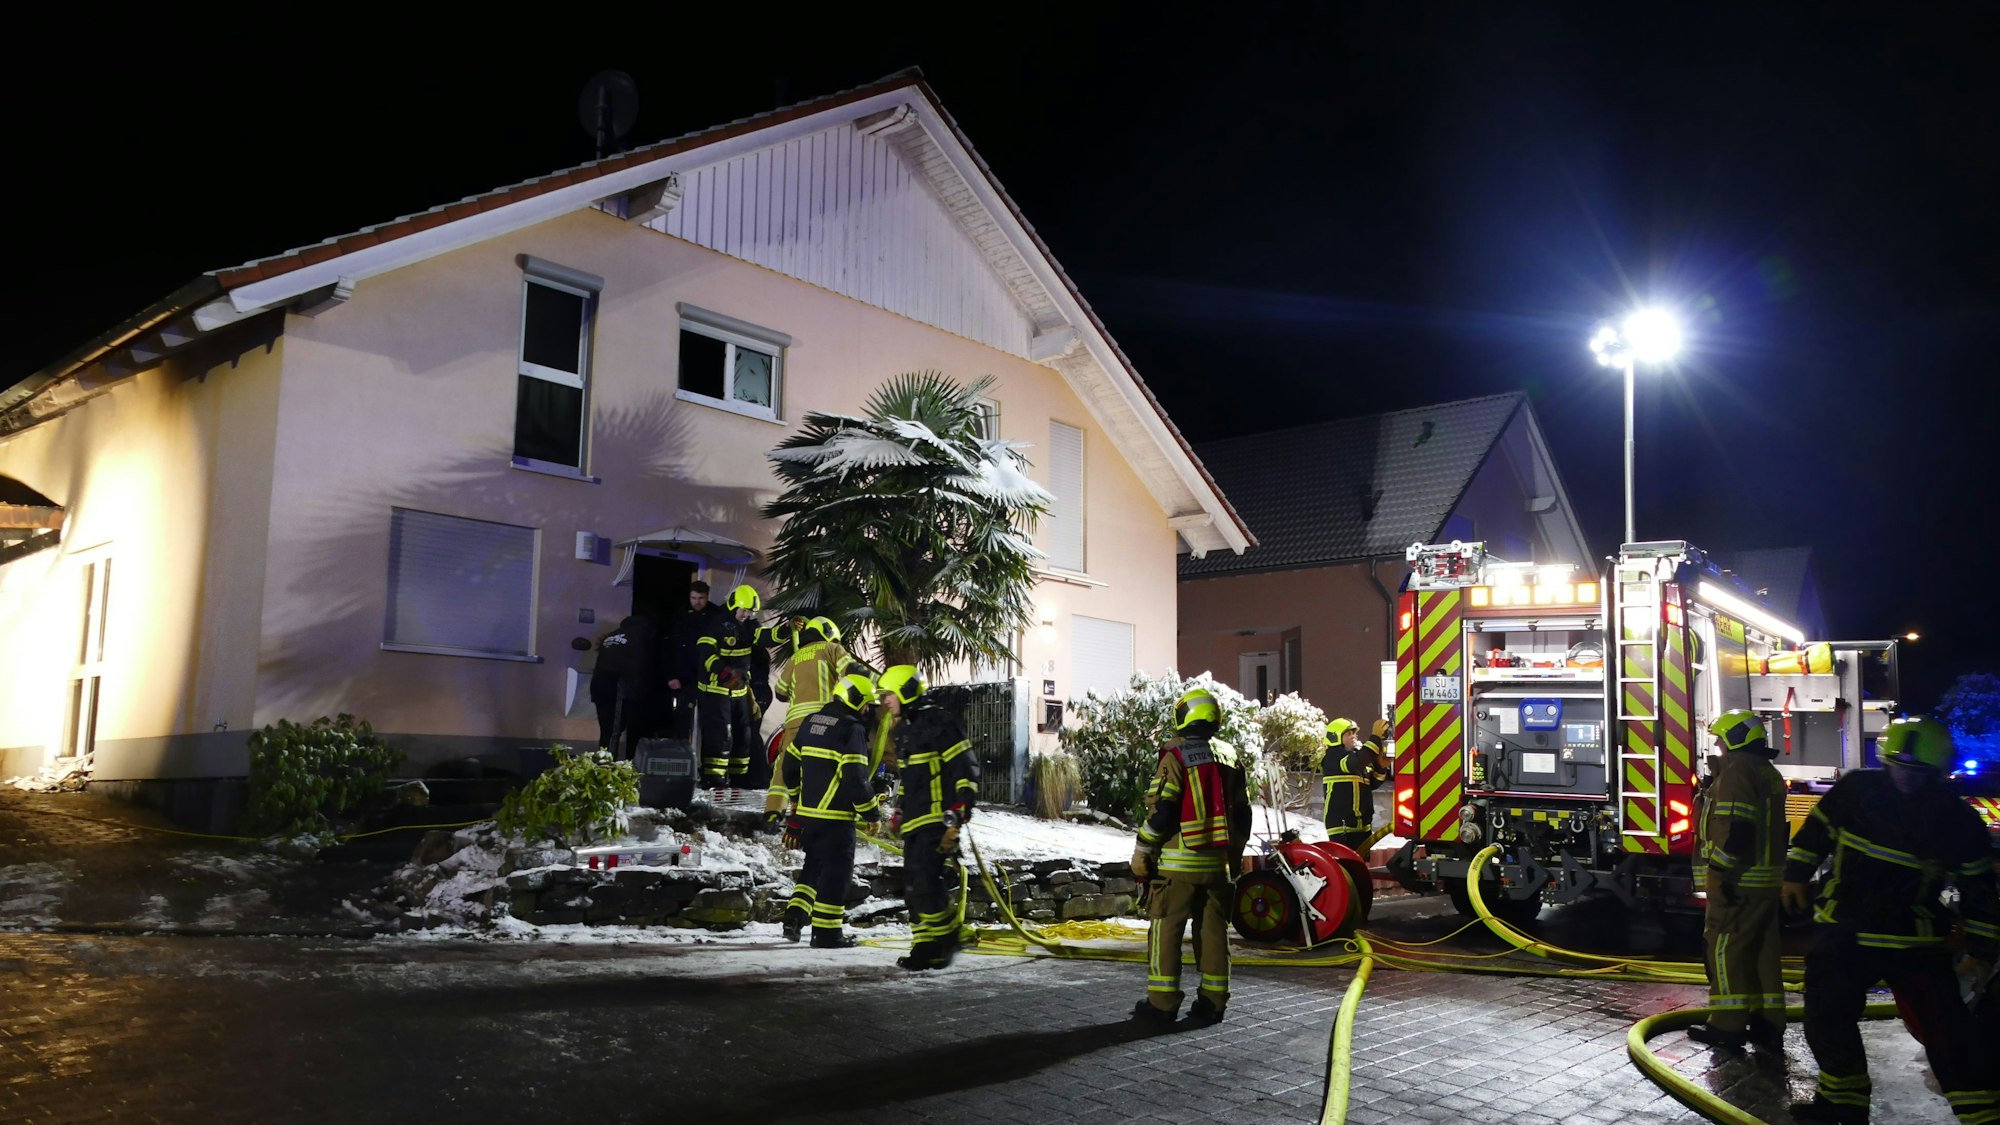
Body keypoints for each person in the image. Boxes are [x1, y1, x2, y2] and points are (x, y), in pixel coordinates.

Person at [1783, 716, 1998, 1125]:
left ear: (1937, 772)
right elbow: (1816, 832)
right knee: (1827, 1017)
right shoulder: (1855, 790)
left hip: (1911, 941)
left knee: (1948, 1034)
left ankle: (1982, 1114)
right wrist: (1794, 876)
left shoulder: (1956, 819)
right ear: (1886, 761)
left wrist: (1982, 953)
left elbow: (1979, 891)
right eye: (1901, 767)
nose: (1907, 778)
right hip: (1848, 933)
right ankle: (1842, 1105)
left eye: (1918, 772)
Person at [1130, 686, 1252, 1025]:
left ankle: (1162, 1005)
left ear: (1183, 716)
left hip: (1176, 870)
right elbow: (1243, 813)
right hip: (1216, 868)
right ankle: (1213, 1003)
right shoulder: (1229, 756)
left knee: (1166, 932)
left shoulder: (1176, 755)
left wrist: (1143, 848)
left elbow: (1164, 812)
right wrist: (1236, 853)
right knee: (1213, 935)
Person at [1685, 710, 1789, 1052]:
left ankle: (1727, 1025)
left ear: (1734, 738)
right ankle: (1767, 1024)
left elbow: (1736, 829)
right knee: (1762, 953)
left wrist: (1719, 873)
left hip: (1739, 883)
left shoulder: (1738, 770)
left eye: (1719, 739)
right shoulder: (1765, 770)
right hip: (1765, 880)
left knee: (1725, 950)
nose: (1717, 745)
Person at [881, 666, 979, 971]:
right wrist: (899, 812)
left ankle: (948, 937)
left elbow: (964, 768)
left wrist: (959, 812)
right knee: (912, 887)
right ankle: (924, 947)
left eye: (889, 694)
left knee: (925, 883)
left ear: (907, 691)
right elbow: (910, 780)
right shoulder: (905, 730)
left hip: (936, 820)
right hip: (914, 822)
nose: (884, 701)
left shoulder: (939, 722)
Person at [776, 672, 882, 948]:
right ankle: (827, 933)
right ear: (855, 700)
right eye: (866, 704)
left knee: (813, 867)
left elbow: (789, 765)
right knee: (837, 874)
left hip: (810, 816)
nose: (868, 710)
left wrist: (798, 800)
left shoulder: (812, 721)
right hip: (836, 818)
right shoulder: (852, 729)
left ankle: (794, 918)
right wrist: (871, 813)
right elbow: (855, 777)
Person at [763, 617, 869, 819]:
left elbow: (780, 693)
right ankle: (812, 811)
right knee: (821, 765)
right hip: (823, 720)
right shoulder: (831, 649)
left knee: (784, 766)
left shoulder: (796, 657)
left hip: (795, 722)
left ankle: (773, 812)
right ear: (829, 634)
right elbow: (852, 671)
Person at [696, 585, 762, 786]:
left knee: (743, 735)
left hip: (740, 690)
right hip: (716, 691)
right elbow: (705, 652)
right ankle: (713, 779)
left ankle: (739, 779)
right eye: (743, 610)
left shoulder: (750, 626)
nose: (746, 615)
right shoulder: (716, 624)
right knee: (720, 736)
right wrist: (723, 672)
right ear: (734, 605)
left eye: (750, 612)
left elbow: (765, 637)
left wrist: (784, 631)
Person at [666, 581, 724, 741]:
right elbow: (669, 647)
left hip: (707, 675)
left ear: (707, 597)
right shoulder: (681, 614)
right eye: (694, 598)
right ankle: (682, 751)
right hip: (684, 676)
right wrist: (671, 675)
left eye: (701, 598)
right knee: (682, 717)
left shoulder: (716, 615)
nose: (697, 602)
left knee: (709, 719)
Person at [1321, 718, 1386, 853]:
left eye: (1354, 733)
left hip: (1361, 827)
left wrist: (1381, 766)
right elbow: (1357, 762)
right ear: (1335, 737)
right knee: (1347, 867)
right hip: (1342, 829)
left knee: (1358, 869)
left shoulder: (1353, 758)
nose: (1353, 736)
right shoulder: (1334, 757)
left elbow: (1372, 783)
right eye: (1348, 734)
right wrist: (1375, 737)